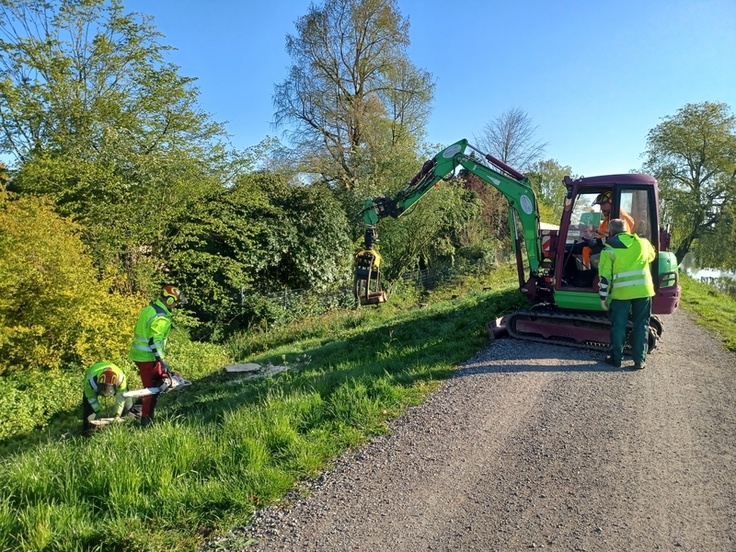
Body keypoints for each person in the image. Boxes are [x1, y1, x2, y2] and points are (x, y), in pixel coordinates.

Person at [598, 218, 656, 370]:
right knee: (641, 324)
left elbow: (605, 277)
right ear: (627, 230)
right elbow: (651, 257)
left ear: (610, 232)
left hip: (621, 294)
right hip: (643, 292)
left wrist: (603, 297)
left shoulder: (608, 248)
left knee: (619, 326)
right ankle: (639, 361)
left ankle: (616, 359)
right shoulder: (644, 243)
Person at [129, 285, 187, 424]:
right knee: (152, 390)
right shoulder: (161, 318)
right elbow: (154, 341)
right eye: (175, 302)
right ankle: (146, 421)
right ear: (170, 300)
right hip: (147, 357)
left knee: (158, 383)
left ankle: (136, 410)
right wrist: (161, 361)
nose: (176, 306)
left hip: (139, 355)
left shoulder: (149, 309)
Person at [82, 361, 132, 432]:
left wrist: (117, 414)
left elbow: (120, 399)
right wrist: (98, 410)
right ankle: (86, 431)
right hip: (93, 371)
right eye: (103, 389)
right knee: (88, 408)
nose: (106, 393)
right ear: (98, 383)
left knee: (127, 404)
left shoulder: (121, 380)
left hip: (118, 383)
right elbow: (91, 398)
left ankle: (128, 426)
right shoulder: (90, 381)